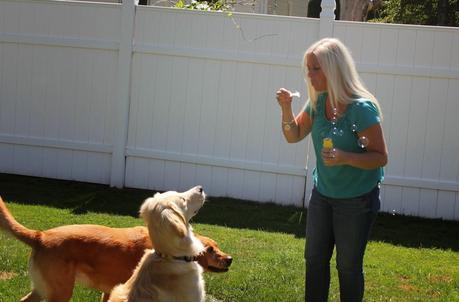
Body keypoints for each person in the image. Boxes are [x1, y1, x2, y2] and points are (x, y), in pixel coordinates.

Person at [276, 37, 388, 302]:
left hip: (357, 200)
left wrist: (345, 156)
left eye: (316, 68)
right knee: (314, 260)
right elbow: (293, 135)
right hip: (323, 196)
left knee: (347, 267)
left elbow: (380, 157)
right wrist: (286, 108)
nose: (310, 75)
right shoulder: (318, 102)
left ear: (334, 69)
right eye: (309, 68)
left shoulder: (361, 109)